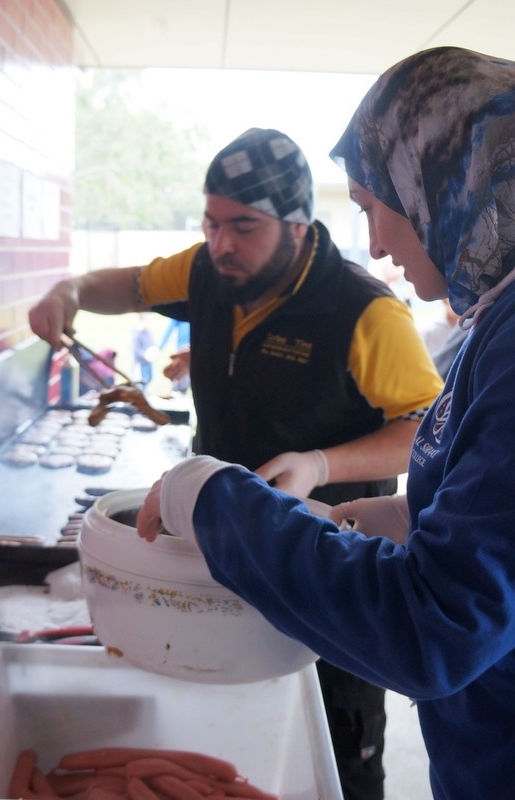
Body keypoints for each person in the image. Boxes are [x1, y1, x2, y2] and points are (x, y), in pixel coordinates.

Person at [130, 50, 515, 799]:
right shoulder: (490, 323)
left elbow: (433, 630)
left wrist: (211, 500)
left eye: (376, 204)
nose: (373, 240)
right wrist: (404, 515)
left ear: (444, 180)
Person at [28, 127, 443, 800]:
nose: (221, 243)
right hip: (214, 551)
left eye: (243, 226)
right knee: (219, 712)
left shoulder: (364, 311)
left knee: (335, 746)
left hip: (327, 563)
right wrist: (70, 291)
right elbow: (127, 285)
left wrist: (319, 462)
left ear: (298, 224)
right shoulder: (206, 271)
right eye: (210, 223)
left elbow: (426, 427)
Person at [158, 318, 191, 393]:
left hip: (198, 353)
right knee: (179, 381)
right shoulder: (179, 315)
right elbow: (169, 329)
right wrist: (159, 346)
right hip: (183, 353)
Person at [132, 312, 156, 387]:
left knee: (149, 378)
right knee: (141, 381)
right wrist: (145, 355)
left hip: (149, 362)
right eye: (147, 321)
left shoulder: (149, 333)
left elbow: (152, 344)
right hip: (140, 363)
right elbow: (136, 350)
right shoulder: (137, 334)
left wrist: (153, 351)